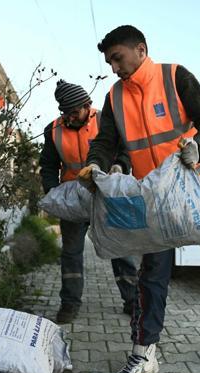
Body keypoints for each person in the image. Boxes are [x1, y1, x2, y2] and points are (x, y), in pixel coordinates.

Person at [77, 25, 200, 373]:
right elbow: (106, 141)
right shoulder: (114, 97)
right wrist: (95, 164)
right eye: (108, 62)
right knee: (152, 273)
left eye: (117, 58)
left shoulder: (175, 76)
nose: (114, 68)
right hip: (151, 194)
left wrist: (199, 146)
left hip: (194, 183)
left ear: (140, 50)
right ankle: (144, 352)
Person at [39, 79, 139, 324]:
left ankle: (133, 302)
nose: (70, 118)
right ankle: (70, 304)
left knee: (120, 249)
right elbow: (49, 166)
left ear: (87, 106)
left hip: (107, 195)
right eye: (65, 113)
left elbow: (126, 149)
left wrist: (120, 165)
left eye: (74, 112)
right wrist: (53, 192)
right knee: (71, 253)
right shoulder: (53, 130)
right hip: (73, 199)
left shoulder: (107, 119)